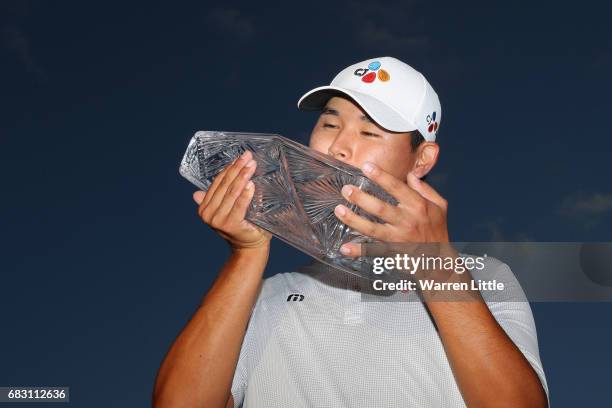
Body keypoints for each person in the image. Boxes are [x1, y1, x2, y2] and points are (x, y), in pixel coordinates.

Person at [153, 57, 549, 407]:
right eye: (329, 123)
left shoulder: (483, 277)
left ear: (422, 159)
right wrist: (247, 252)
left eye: (370, 132)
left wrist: (437, 269)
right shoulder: (266, 294)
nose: (338, 147)